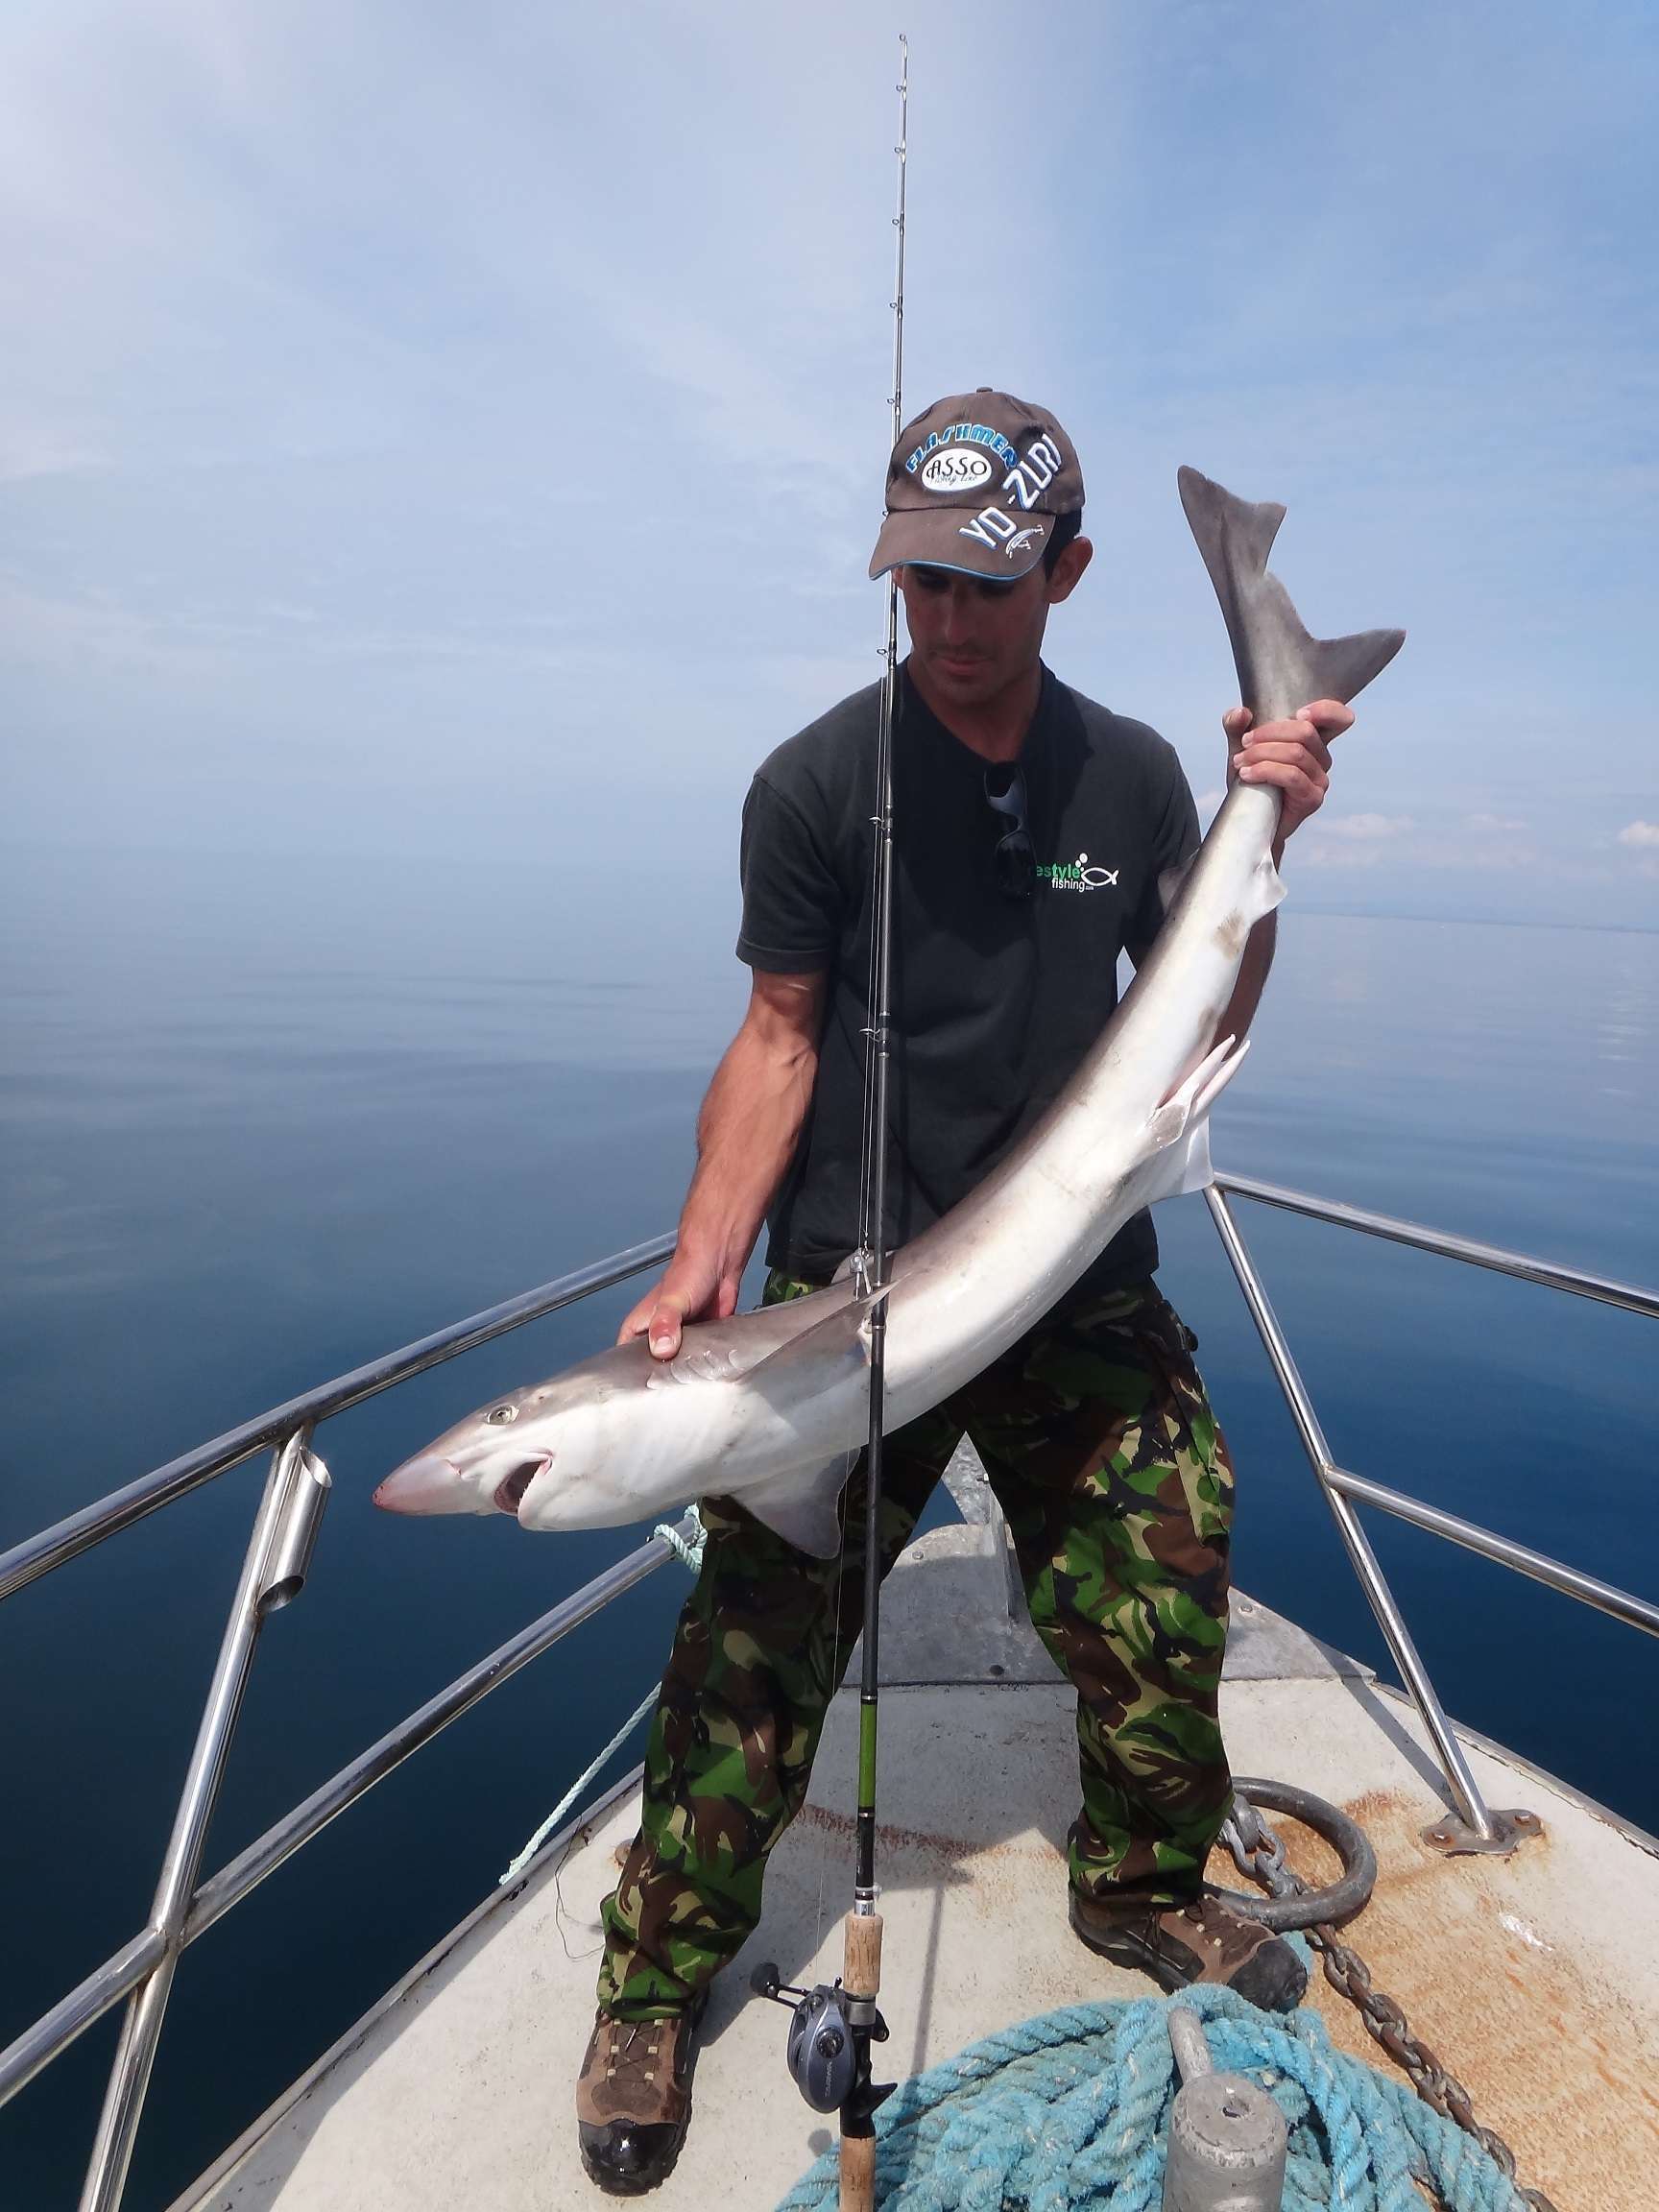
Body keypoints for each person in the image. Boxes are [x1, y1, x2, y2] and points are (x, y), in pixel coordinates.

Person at [574, 391, 1352, 2195]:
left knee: (1171, 1566)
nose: (950, 616)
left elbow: (1209, 1012)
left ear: (1067, 575)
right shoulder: (813, 784)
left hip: (1071, 1277)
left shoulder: (1138, 780)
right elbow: (775, 1039)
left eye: (989, 584)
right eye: (920, 578)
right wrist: (703, 1258)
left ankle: (1148, 1886)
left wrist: (1272, 837)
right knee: (749, 1645)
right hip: (850, 1290)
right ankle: (650, 1978)